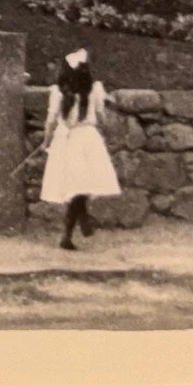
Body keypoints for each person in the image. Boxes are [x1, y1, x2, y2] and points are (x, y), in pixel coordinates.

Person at [40, 49, 120, 250]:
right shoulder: (94, 88)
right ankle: (80, 221)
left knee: (77, 184)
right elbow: (102, 116)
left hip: (67, 138)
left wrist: (46, 141)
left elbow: (50, 120)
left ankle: (70, 231)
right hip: (86, 137)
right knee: (80, 184)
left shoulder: (58, 91)